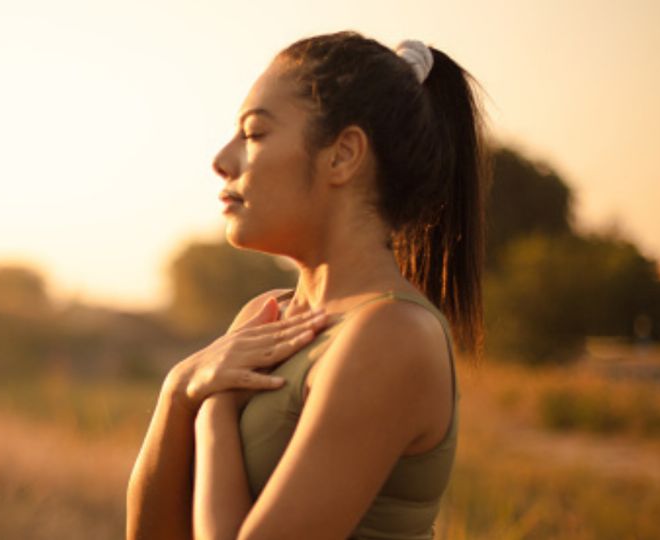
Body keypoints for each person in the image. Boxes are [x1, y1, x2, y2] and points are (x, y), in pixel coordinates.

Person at [126, 30, 486, 540]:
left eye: (254, 134)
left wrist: (213, 408)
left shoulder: (392, 334)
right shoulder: (265, 316)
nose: (222, 160)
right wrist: (178, 391)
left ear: (342, 156)